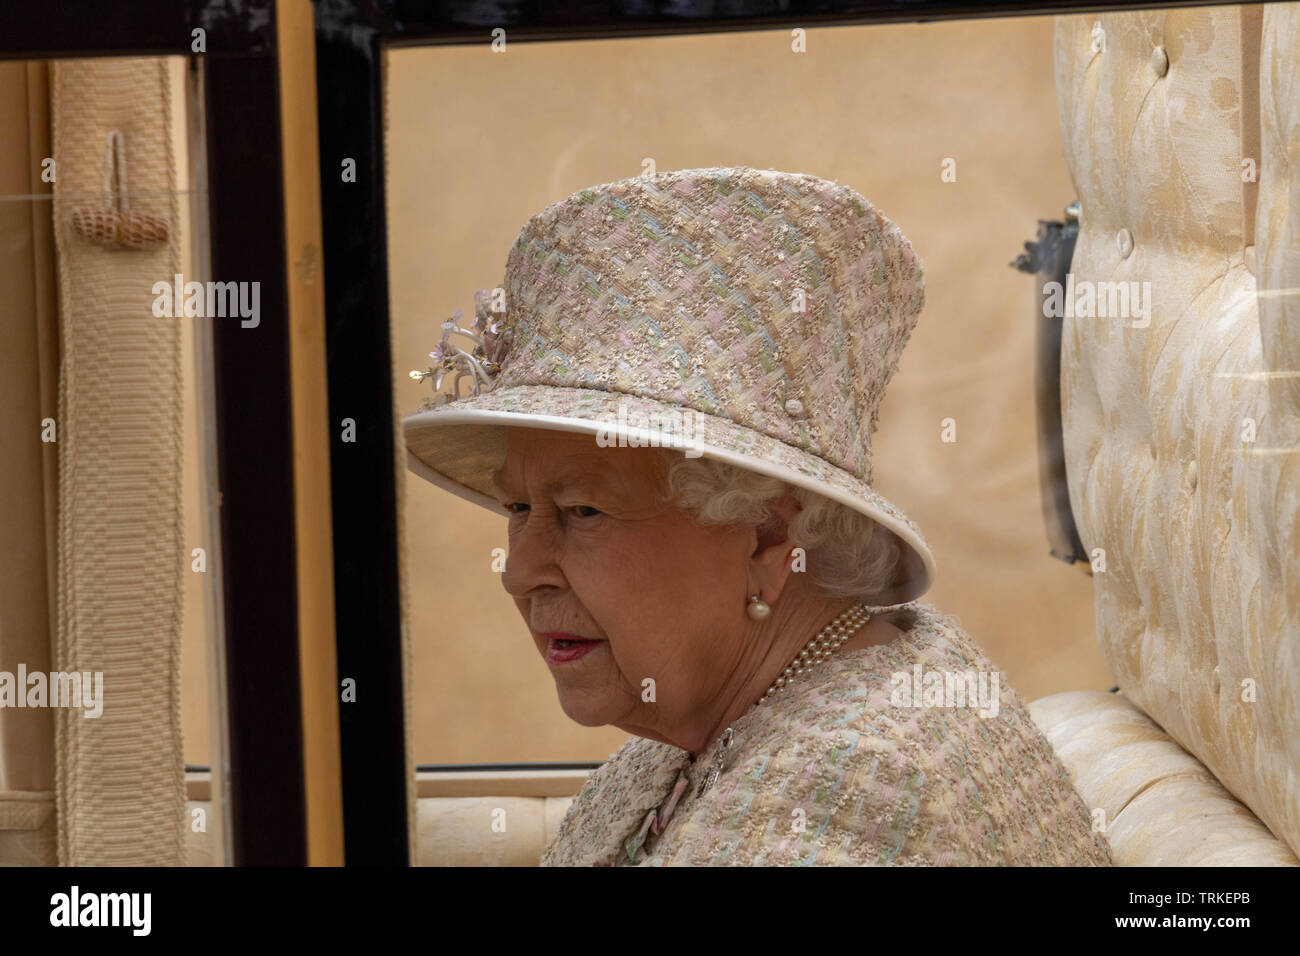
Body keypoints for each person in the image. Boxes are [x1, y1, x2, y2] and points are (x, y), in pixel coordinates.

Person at [404, 166, 1112, 866]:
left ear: (768, 537)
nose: (520, 571)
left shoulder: (845, 800)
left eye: (582, 510)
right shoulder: (732, 716)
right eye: (519, 507)